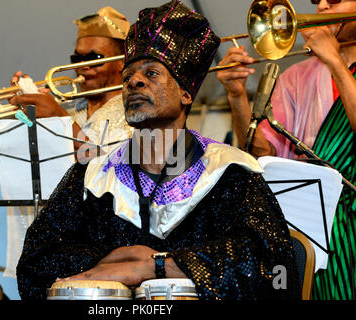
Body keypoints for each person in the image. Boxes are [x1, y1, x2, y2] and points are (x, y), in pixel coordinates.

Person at [16, 0, 300, 301]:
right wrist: (119, 258)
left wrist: (156, 266)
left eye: (152, 73)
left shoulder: (229, 174)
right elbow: (35, 265)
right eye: (127, 77)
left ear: (186, 93)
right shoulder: (92, 178)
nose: (134, 81)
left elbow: (273, 267)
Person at [217, 0, 355, 300]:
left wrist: (336, 62)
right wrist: (237, 95)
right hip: (309, 234)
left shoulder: (333, 63)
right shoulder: (295, 77)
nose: (321, 5)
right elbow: (261, 157)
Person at [9, 7, 133, 155]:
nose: (83, 66)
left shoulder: (134, 112)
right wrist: (24, 113)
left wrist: (59, 118)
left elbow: (115, 172)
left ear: (122, 61)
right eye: (77, 59)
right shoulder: (71, 109)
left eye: (94, 59)